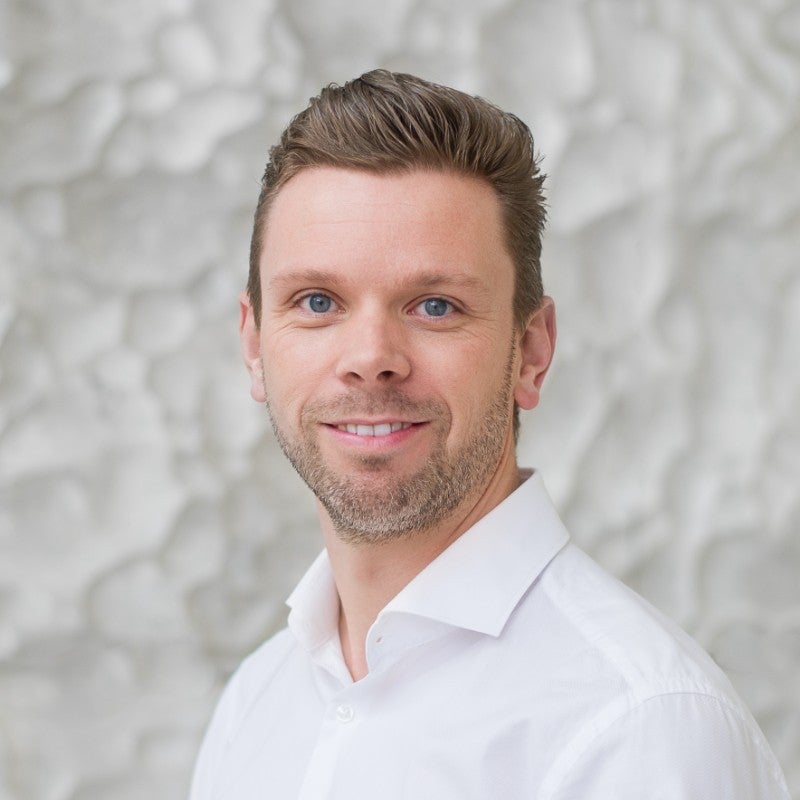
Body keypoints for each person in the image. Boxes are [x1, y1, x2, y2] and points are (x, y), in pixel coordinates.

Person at [190, 70, 790, 799]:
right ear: (254, 345)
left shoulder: (641, 728)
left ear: (531, 352)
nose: (371, 358)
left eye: (435, 306)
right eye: (318, 302)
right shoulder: (255, 704)